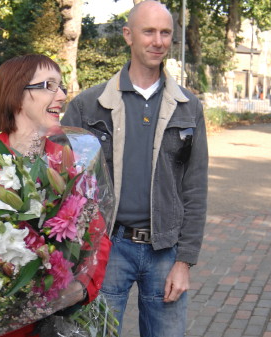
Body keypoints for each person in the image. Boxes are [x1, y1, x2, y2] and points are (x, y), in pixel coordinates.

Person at [61, 1, 208, 336]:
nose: (158, 41)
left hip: (165, 252)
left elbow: (196, 189)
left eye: (165, 33)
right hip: (108, 249)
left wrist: (184, 262)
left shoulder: (189, 108)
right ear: (128, 35)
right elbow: (63, 185)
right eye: (149, 32)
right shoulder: (87, 106)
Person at [0, 54, 112, 337]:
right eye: (49, 85)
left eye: (62, 87)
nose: (61, 96)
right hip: (2, 325)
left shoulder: (68, 161)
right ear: (17, 95)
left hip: (58, 320)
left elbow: (97, 235)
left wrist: (81, 287)